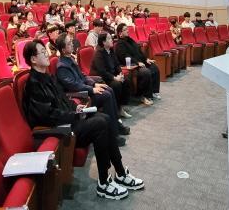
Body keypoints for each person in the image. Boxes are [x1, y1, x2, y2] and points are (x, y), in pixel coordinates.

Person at [21, 40, 144, 200]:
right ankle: (104, 183)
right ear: (33, 59)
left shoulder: (47, 77)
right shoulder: (33, 84)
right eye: (42, 52)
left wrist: (75, 108)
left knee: (105, 118)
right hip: (60, 129)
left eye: (46, 50)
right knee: (100, 123)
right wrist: (74, 115)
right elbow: (46, 115)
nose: (47, 54)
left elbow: (63, 99)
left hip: (68, 120)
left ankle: (120, 172)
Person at [55, 33, 130, 140]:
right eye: (69, 43)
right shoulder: (62, 67)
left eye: (71, 42)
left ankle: (116, 125)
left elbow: (83, 76)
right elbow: (74, 85)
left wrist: (95, 84)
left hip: (84, 88)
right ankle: (113, 135)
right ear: (63, 50)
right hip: (79, 94)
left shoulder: (70, 59)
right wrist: (92, 89)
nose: (72, 44)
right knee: (106, 95)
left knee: (108, 89)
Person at [114, 23, 160, 104]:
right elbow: (125, 57)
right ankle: (143, 96)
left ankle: (153, 91)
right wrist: (137, 63)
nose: (128, 31)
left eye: (127, 29)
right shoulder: (119, 44)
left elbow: (139, 51)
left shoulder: (130, 40)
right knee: (145, 72)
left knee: (154, 67)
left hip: (139, 62)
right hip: (131, 65)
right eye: (125, 30)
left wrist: (146, 59)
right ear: (120, 33)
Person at [91, 33, 132, 119]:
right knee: (116, 85)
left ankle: (121, 107)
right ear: (103, 42)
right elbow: (102, 71)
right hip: (102, 79)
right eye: (109, 39)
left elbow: (117, 64)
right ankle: (116, 110)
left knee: (126, 80)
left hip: (112, 75)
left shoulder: (111, 50)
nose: (112, 40)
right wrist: (114, 78)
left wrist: (120, 74)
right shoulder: (99, 53)